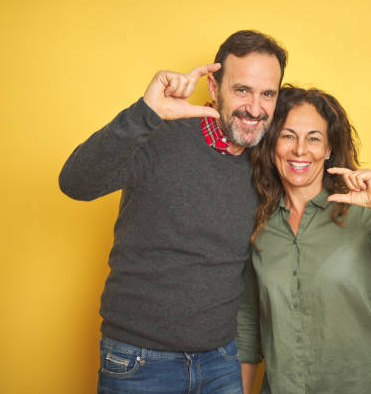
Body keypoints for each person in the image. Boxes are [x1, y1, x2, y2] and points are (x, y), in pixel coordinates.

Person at [58, 30, 287, 394]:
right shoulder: (160, 134)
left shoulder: (271, 163)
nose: (255, 108)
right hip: (139, 362)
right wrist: (145, 113)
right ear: (213, 87)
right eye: (242, 90)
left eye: (267, 94)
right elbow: (75, 182)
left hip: (222, 361)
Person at [237, 85, 371, 394]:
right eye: (288, 135)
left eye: (314, 138)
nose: (300, 150)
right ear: (272, 143)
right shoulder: (258, 223)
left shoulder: (363, 212)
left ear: (329, 148)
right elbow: (249, 326)